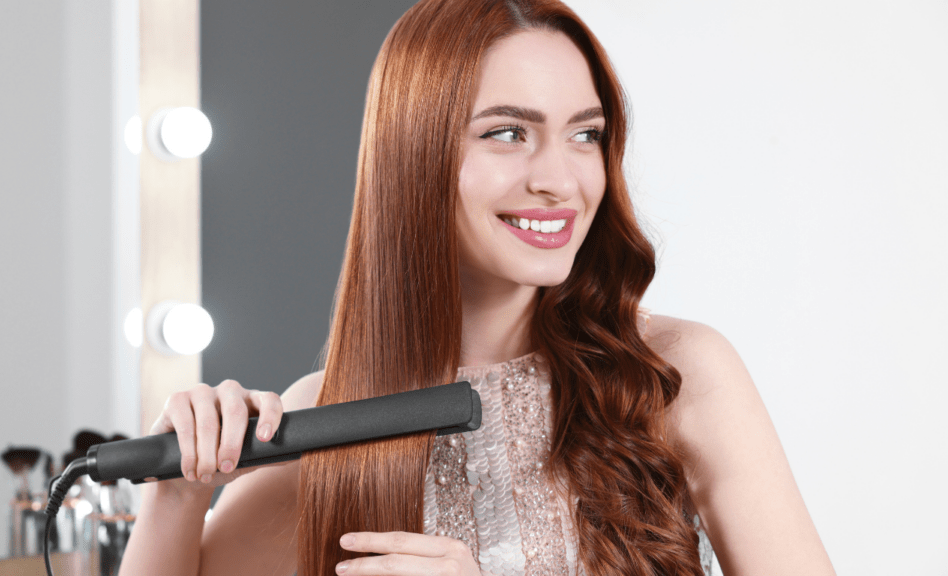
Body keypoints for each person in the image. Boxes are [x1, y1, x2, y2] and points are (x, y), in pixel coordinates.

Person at [120, 1, 837, 575]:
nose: (561, 179)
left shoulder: (676, 375)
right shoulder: (325, 419)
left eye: (585, 135)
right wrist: (176, 498)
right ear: (415, 154)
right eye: (508, 134)